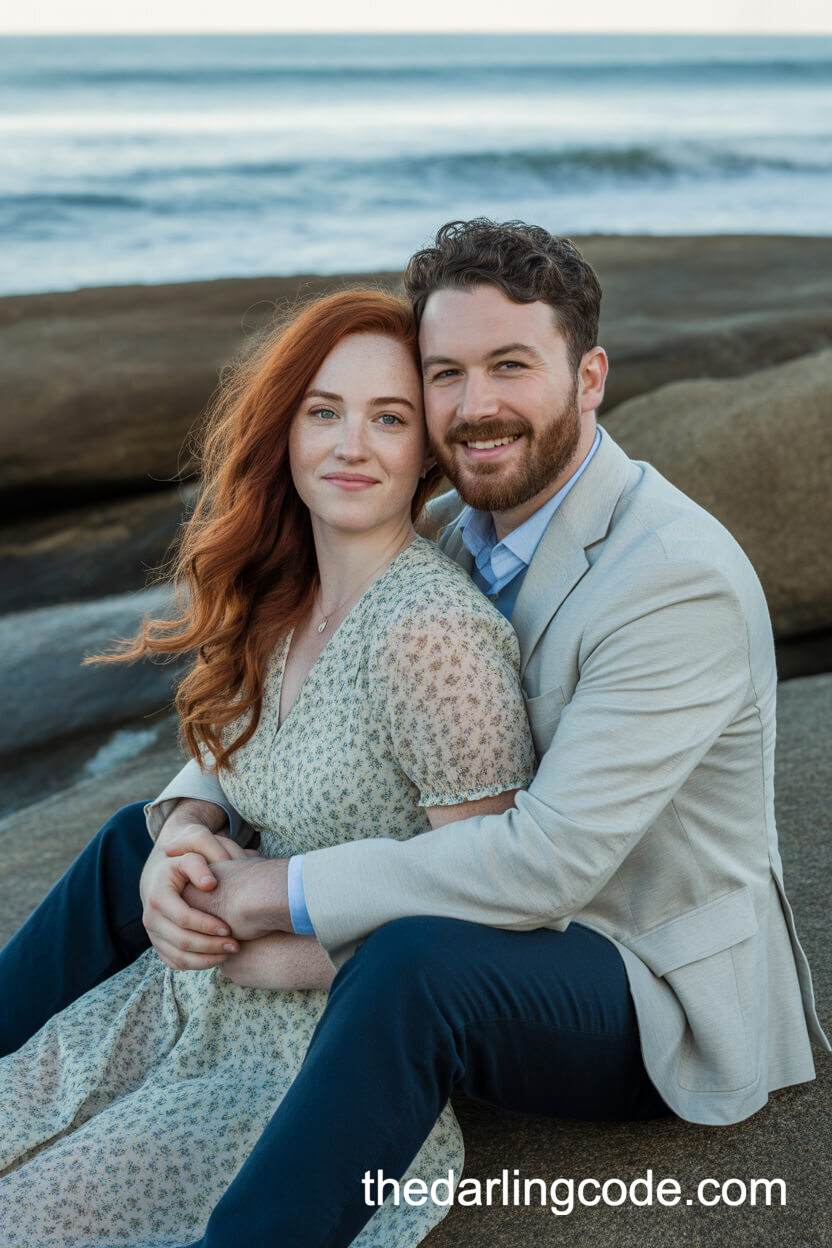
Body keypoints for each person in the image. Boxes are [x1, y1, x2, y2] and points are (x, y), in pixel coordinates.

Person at [0, 219, 828, 1248]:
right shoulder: (448, 528)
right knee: (134, 838)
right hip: (498, 905)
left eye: (510, 366)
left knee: (412, 975)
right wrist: (186, 822)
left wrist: (271, 901)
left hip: (630, 969)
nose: (474, 406)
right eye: (445, 373)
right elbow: (300, 703)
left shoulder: (672, 580)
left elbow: (548, 865)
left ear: (590, 377)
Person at [0, 288, 538, 1246]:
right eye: (323, 411)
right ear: (283, 430)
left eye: (390, 418)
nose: (351, 445)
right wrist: (181, 846)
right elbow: (223, 764)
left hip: (305, 1061)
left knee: (36, 1216)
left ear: (426, 451)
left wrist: (250, 951)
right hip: (179, 1003)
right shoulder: (284, 600)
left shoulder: (431, 636)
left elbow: (487, 912)